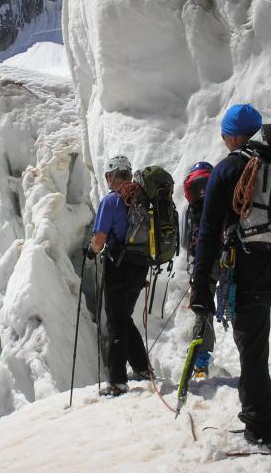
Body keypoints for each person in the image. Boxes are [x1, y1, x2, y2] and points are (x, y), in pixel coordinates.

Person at [191, 104, 271, 447]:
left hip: (248, 268)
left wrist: (201, 288)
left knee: (253, 351)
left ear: (234, 135)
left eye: (224, 135)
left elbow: (208, 234)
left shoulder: (230, 168)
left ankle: (261, 428)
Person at [89, 155, 151, 397]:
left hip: (118, 267)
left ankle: (117, 381)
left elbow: (99, 240)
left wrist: (91, 249)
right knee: (124, 316)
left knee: (115, 321)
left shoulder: (111, 201)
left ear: (111, 176)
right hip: (140, 266)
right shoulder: (142, 200)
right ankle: (143, 368)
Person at [182, 161, 216, 378]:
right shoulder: (221, 199)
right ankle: (249, 358)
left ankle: (200, 363)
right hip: (228, 258)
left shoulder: (190, 208)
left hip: (203, 264)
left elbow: (186, 242)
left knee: (203, 313)